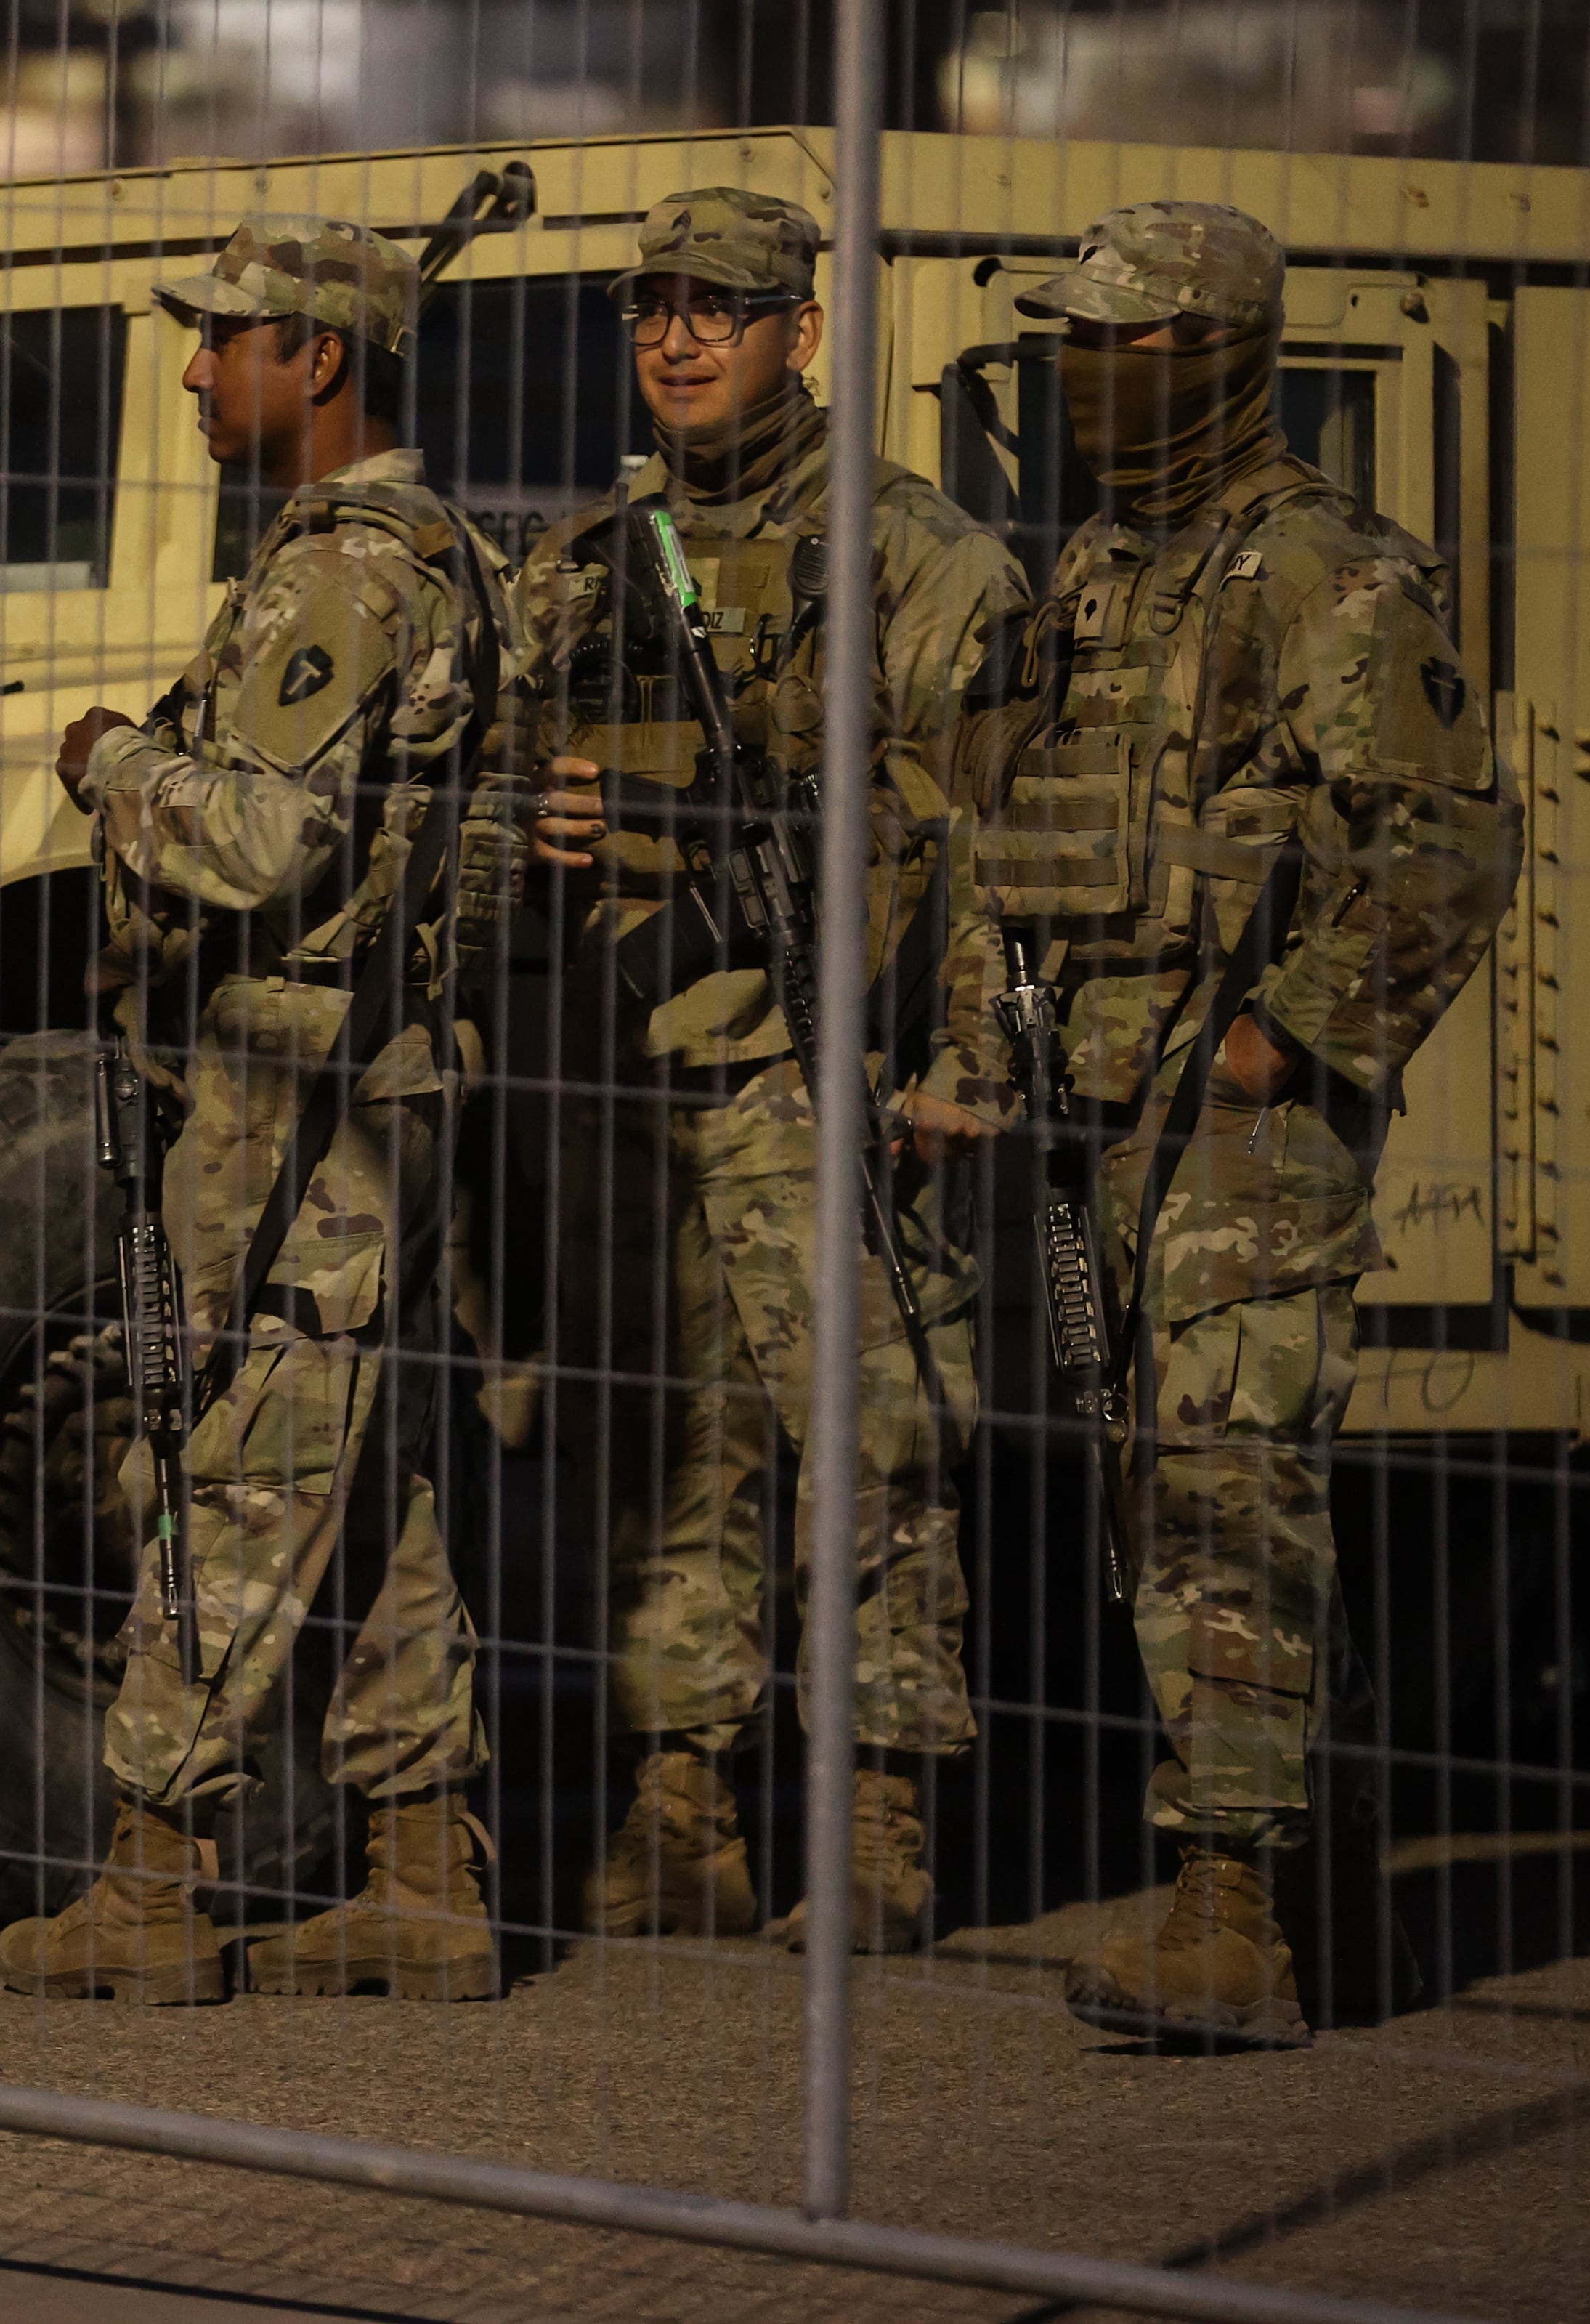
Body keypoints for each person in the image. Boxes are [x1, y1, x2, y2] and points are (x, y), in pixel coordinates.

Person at [909, 201, 1514, 2046]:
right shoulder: (1098, 566)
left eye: (1119, 338)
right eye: (1071, 337)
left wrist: (1285, 1037)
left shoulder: (1327, 570)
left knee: (1223, 1481)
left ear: (1215, 351)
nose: (1080, 374)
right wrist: (975, 1059)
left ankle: (1231, 1907)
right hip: (1104, 1107)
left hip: (1242, 1128)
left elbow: (1445, 845)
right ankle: (1318, 1885)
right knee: (1162, 1482)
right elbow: (1006, 842)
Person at [0, 215, 527, 2005]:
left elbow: (267, 838)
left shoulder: (348, 572)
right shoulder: (387, 554)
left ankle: (153, 1872)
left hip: (314, 1099)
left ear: (322, 356)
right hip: (347, 1077)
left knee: (229, 1463)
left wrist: (107, 765)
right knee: (364, 1471)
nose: (197, 370)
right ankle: (422, 1864)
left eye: (229, 337)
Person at [521, 189, 1026, 1951]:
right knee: (668, 1459)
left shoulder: (913, 554)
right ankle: (684, 1811)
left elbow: (997, 836)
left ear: (798, 334)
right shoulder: (590, 557)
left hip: (830, 1076)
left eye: (717, 309)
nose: (675, 338)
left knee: (870, 1454)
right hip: (631, 1087)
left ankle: (879, 1832)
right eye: (651, 306)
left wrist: (961, 1064)